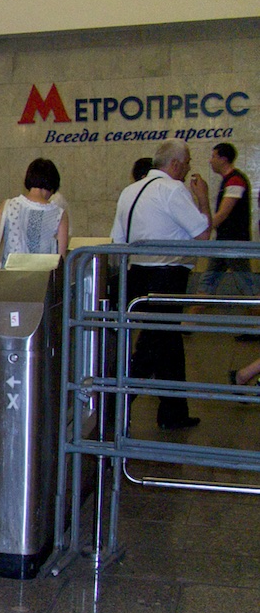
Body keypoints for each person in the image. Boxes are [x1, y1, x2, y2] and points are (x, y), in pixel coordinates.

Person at [110, 138, 211, 430]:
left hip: (136, 273)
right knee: (154, 344)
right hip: (167, 275)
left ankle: (173, 410)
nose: (189, 167)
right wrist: (203, 198)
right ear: (176, 164)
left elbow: (118, 240)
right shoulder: (172, 190)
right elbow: (203, 234)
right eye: (188, 162)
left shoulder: (130, 191)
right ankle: (117, 403)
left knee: (168, 342)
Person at [0, 158, 69, 430]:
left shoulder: (8, 206)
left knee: (6, 343)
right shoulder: (59, 214)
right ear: (52, 184)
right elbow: (60, 258)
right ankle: (28, 403)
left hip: (9, 285)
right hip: (40, 291)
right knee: (35, 348)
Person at [191, 143, 258, 303]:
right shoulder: (229, 181)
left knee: (249, 290)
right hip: (224, 243)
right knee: (207, 284)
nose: (210, 160)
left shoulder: (235, 181)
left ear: (223, 159)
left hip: (233, 244)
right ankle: (189, 321)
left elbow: (223, 214)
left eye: (214, 156)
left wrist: (202, 231)